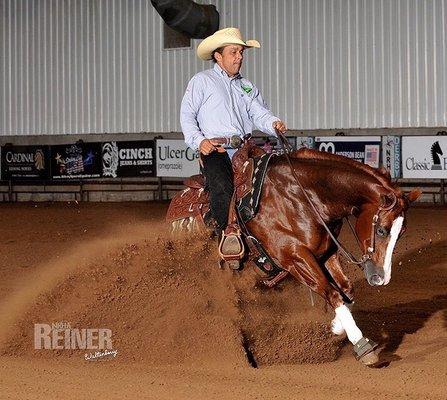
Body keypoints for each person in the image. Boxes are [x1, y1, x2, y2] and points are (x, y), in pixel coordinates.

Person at [180, 27, 287, 239]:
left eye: (241, 52)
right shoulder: (202, 81)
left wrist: (274, 123)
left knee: (275, 177)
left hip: (245, 148)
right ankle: (227, 236)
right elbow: (187, 115)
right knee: (222, 187)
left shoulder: (246, 86)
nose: (239, 57)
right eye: (233, 52)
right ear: (218, 56)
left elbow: (259, 113)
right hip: (216, 149)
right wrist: (199, 141)